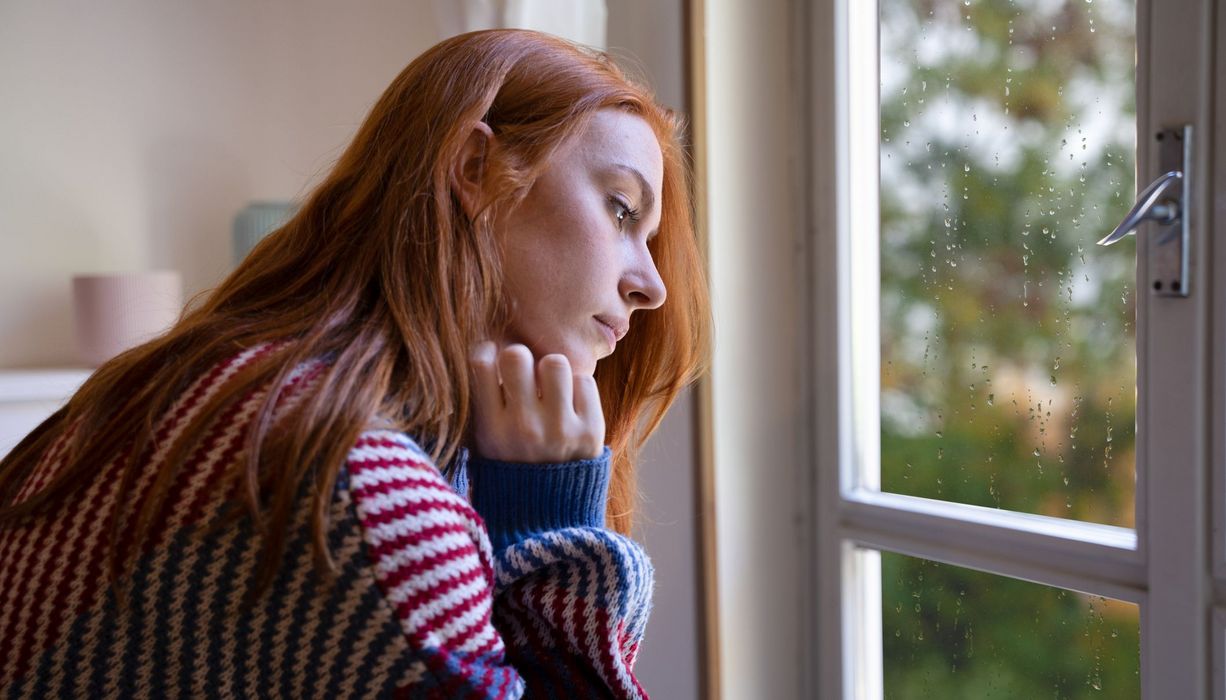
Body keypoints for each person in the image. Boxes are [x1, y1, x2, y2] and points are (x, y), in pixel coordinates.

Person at [0, 28, 709, 698]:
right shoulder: (364, 492)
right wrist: (556, 529)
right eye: (621, 210)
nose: (651, 286)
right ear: (474, 169)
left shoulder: (195, 389)